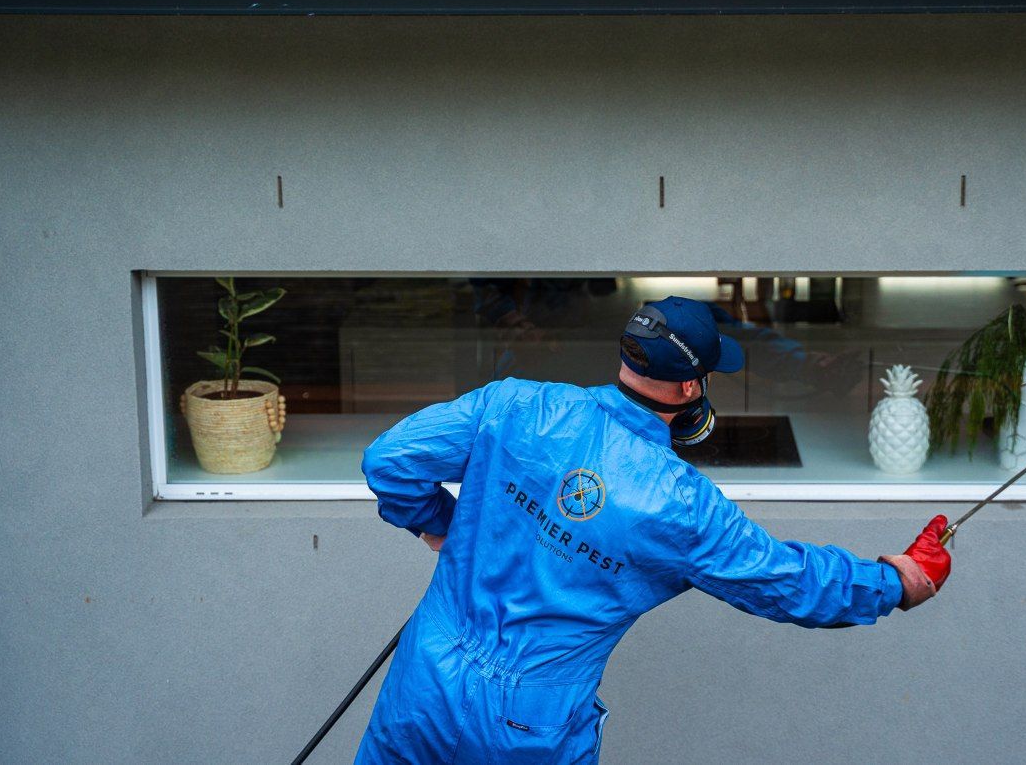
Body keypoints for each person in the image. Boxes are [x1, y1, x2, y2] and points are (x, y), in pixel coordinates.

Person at [354, 296, 951, 765]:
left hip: (425, 677)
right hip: (527, 724)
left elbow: (389, 462)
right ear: (692, 389)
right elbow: (785, 580)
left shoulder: (515, 405)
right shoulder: (682, 507)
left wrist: (442, 528)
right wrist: (896, 581)